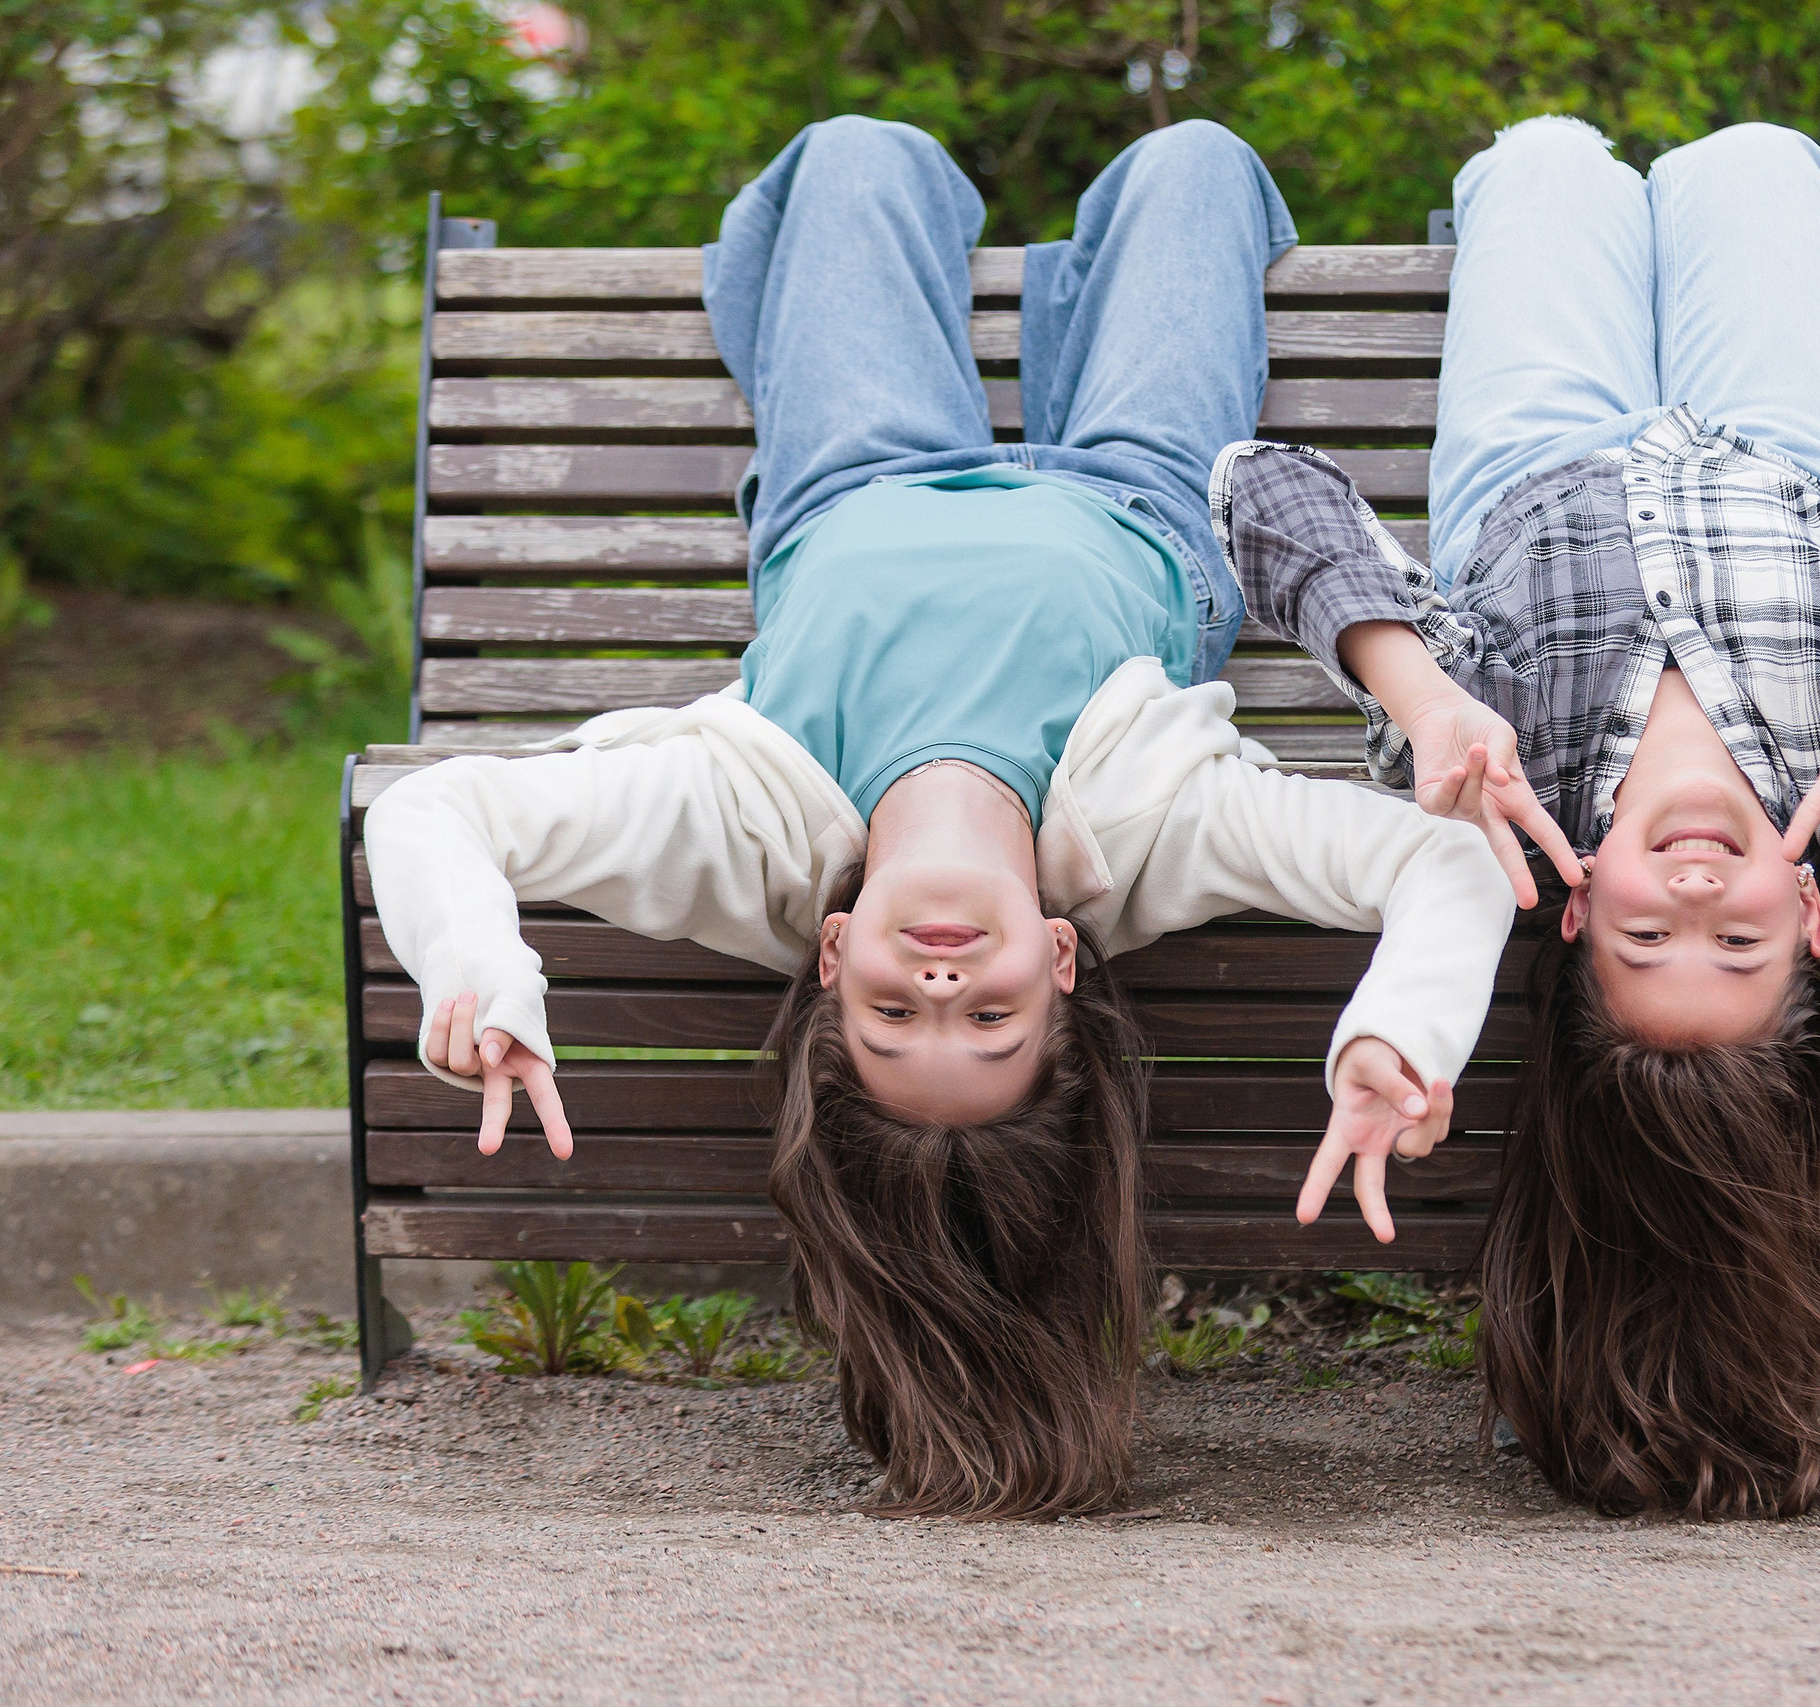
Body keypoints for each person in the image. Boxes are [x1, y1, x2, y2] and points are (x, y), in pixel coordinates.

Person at [365, 115, 1519, 1519]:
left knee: (861, 155)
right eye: (991, 1022)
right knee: (1197, 163)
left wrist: (478, 964)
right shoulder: (1163, 831)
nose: (942, 987)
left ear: (834, 958)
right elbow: (1440, 864)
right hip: (1147, 499)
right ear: (1064, 964)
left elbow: (438, 814)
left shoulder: (739, 828)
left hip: (854, 482)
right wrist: (1403, 1024)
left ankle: (926, 288)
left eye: (894, 1019)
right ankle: (1058, 285)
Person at [1214, 116, 1820, 1518]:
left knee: (1547, 162)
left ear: (1575, 910)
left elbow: (1256, 493)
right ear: (1810, 920)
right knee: (1752, 160)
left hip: (1531, 458)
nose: (1696, 896)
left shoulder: (1498, 790)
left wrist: (1419, 689)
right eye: (1737, 950)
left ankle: (1530, 215)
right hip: (1790, 451)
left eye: (1644, 938)